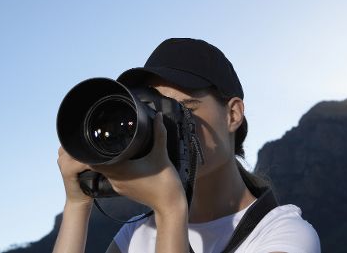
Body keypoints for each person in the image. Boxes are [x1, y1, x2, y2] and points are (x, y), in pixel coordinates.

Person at [53, 38, 321, 253]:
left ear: (233, 115)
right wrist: (77, 204)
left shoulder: (284, 234)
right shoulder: (139, 234)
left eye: (184, 109)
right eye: (154, 113)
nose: (166, 127)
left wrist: (171, 210)